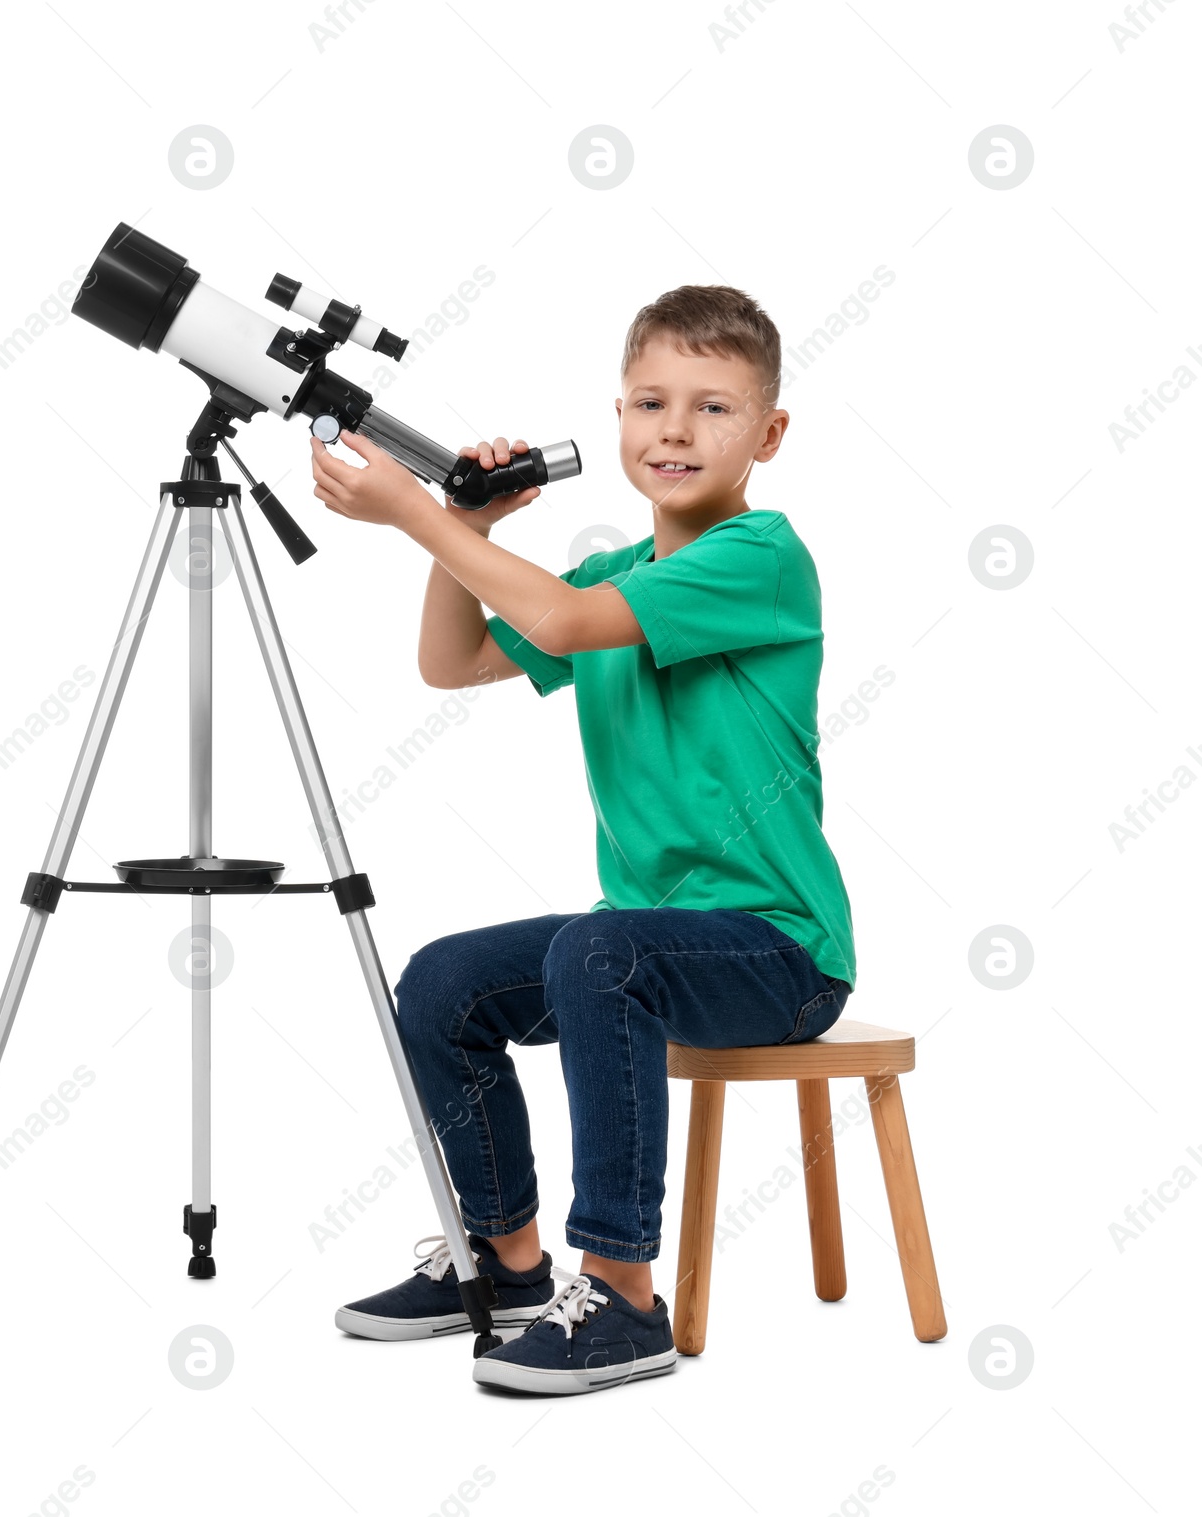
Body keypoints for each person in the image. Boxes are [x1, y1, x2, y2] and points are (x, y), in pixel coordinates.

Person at [307, 285, 855, 1395]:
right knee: (446, 980)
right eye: (650, 402)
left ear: (769, 434)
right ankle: (508, 1259)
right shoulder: (614, 575)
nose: (673, 429)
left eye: (711, 407)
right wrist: (466, 525)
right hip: (647, 945)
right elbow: (452, 661)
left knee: (599, 950)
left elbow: (553, 624)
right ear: (615, 418)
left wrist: (414, 511)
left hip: (777, 953)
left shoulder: (760, 557)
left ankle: (620, 1293)